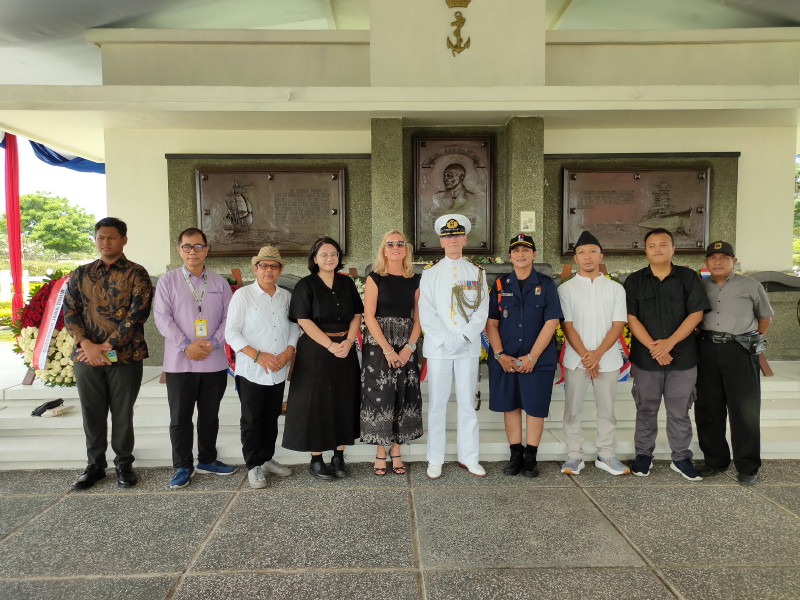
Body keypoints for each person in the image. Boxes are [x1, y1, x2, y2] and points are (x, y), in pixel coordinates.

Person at [63, 217, 153, 490]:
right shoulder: (81, 274)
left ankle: (124, 463)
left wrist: (108, 345)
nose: (105, 242)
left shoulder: (137, 273)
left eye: (111, 237)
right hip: (87, 357)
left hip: (125, 356)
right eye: (100, 237)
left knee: (122, 412)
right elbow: (70, 312)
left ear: (124, 239)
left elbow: (137, 314)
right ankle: (95, 465)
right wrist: (86, 345)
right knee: (92, 412)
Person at [623, 228, 710, 481]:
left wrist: (668, 343)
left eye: (663, 244)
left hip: (682, 357)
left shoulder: (688, 278)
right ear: (645, 250)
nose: (658, 249)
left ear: (674, 249)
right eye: (652, 245)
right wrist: (654, 347)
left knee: (679, 411)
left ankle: (681, 457)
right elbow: (631, 318)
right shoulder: (634, 281)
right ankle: (643, 456)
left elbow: (696, 313)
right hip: (646, 358)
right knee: (646, 408)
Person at [153, 228, 235, 489]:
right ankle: (183, 465)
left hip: (213, 360)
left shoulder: (220, 283)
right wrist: (186, 345)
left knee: (210, 415)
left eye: (198, 246)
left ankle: (207, 459)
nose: (193, 252)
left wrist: (212, 343)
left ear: (207, 250)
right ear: (179, 250)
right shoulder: (168, 281)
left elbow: (228, 318)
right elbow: (162, 318)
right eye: (187, 247)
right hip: (180, 361)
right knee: (180, 416)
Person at [282, 237, 363, 479]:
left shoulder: (347, 283)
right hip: (316, 351)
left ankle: (338, 455)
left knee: (344, 400)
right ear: (314, 258)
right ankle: (316, 459)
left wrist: (348, 342)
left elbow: (357, 315)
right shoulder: (305, 285)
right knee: (316, 404)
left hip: (345, 349)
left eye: (334, 254)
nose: (330, 258)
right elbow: (303, 320)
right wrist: (330, 345)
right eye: (324, 254)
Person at [695, 240, 773, 486]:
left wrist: (749, 339)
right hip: (706, 350)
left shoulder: (751, 285)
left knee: (745, 411)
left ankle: (748, 466)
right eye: (713, 258)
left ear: (733, 261)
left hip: (740, 351)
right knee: (708, 408)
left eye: (723, 258)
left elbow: (764, 318)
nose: (717, 262)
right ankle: (715, 460)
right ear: (706, 262)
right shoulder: (699, 286)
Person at [419, 214, 489, 479]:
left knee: (467, 403)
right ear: (441, 240)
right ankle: (434, 459)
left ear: (465, 238)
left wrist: (463, 338)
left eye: (457, 235)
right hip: (439, 349)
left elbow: (481, 311)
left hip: (467, 348)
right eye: (448, 236)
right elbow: (426, 311)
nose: (452, 240)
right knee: (437, 403)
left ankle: (469, 457)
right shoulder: (431, 273)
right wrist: (446, 340)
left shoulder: (476, 273)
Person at [486, 234, 562, 478]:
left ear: (534, 255)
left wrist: (532, 357)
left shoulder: (546, 285)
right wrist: (500, 355)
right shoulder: (499, 285)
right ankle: (515, 454)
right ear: (509, 255)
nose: (520, 254)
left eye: (525, 250)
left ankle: (531, 457)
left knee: (535, 407)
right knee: (511, 406)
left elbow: (551, 322)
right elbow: (491, 323)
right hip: (506, 358)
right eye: (516, 251)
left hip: (537, 360)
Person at [226, 246, 299, 488]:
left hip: (277, 369)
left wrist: (289, 351)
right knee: (251, 419)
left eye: (273, 266)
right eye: (264, 266)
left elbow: (292, 328)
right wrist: (257, 356)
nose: (268, 270)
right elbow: (231, 333)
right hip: (251, 370)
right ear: (255, 269)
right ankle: (253, 465)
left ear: (280, 270)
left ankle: (267, 458)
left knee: (270, 416)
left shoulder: (286, 297)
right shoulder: (243, 296)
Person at [557, 231, 629, 476]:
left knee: (607, 410)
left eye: (592, 252)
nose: (587, 257)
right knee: (572, 409)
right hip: (576, 361)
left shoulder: (615, 289)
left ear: (601, 255)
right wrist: (586, 356)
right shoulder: (565, 289)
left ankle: (606, 454)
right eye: (581, 253)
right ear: (575, 258)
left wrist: (597, 355)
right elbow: (567, 325)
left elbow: (618, 324)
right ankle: (574, 455)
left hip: (607, 360)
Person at [361, 230, 423, 476]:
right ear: (384, 249)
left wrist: (409, 347)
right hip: (379, 345)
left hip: (406, 343)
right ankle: (379, 451)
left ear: (405, 249)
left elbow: (419, 319)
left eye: (400, 243)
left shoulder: (415, 280)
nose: (395, 247)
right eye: (390, 244)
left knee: (403, 395)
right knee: (380, 396)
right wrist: (387, 349)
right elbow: (369, 316)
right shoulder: (375, 278)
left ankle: (396, 450)